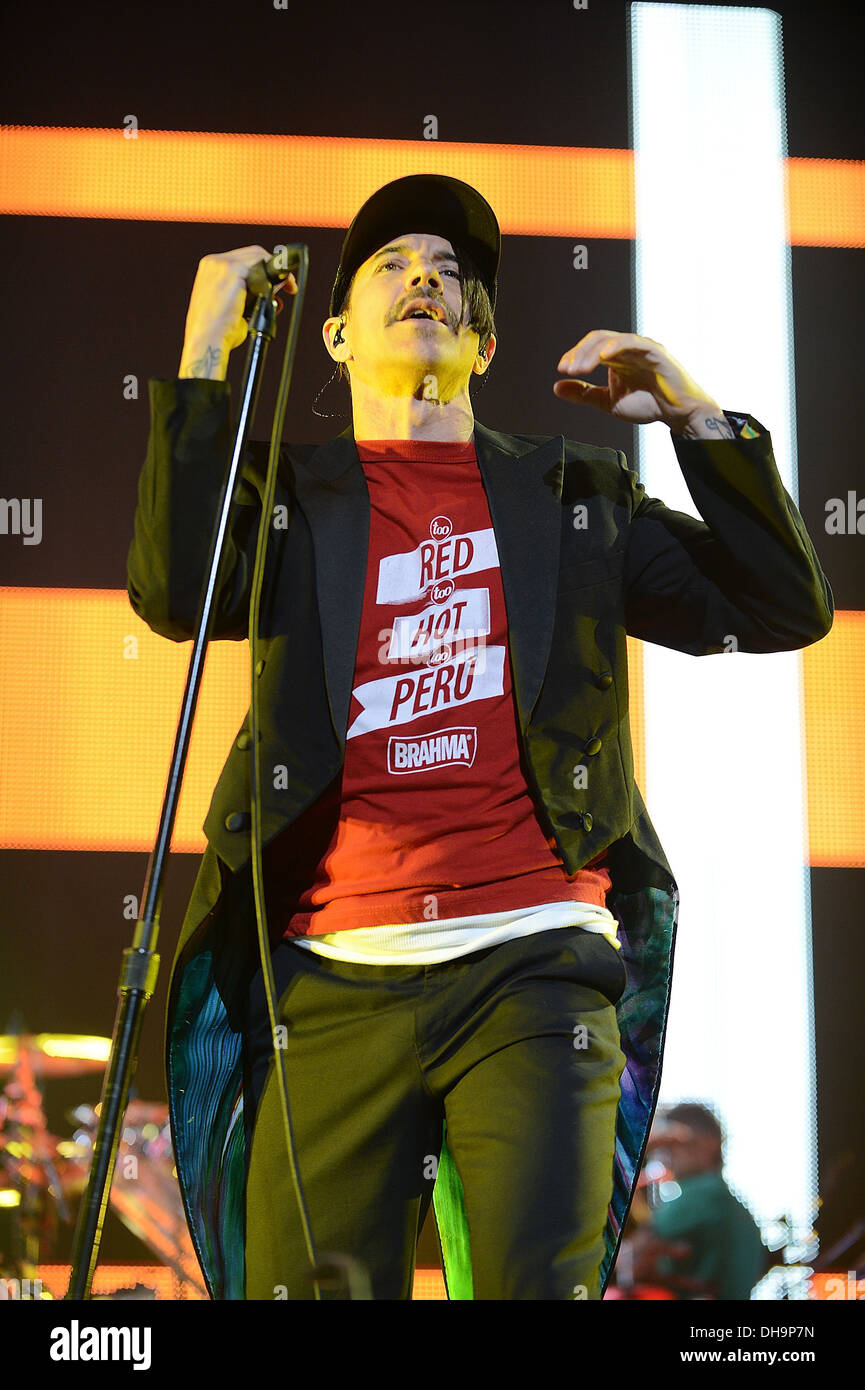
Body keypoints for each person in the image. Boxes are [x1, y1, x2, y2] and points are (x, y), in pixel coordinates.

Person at [126, 173, 833, 1301]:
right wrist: (207, 345)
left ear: (483, 344)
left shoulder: (573, 492)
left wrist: (693, 414)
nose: (426, 278)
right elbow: (173, 591)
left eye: (450, 272)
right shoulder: (289, 494)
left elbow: (778, 606)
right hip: (326, 978)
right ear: (336, 334)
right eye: (393, 264)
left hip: (534, 962)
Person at [629, 1103, 771, 1299]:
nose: (666, 1152)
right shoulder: (727, 1202)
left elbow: (632, 1250)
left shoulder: (706, 1194)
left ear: (710, 1143)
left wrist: (637, 1148)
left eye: (676, 1142)